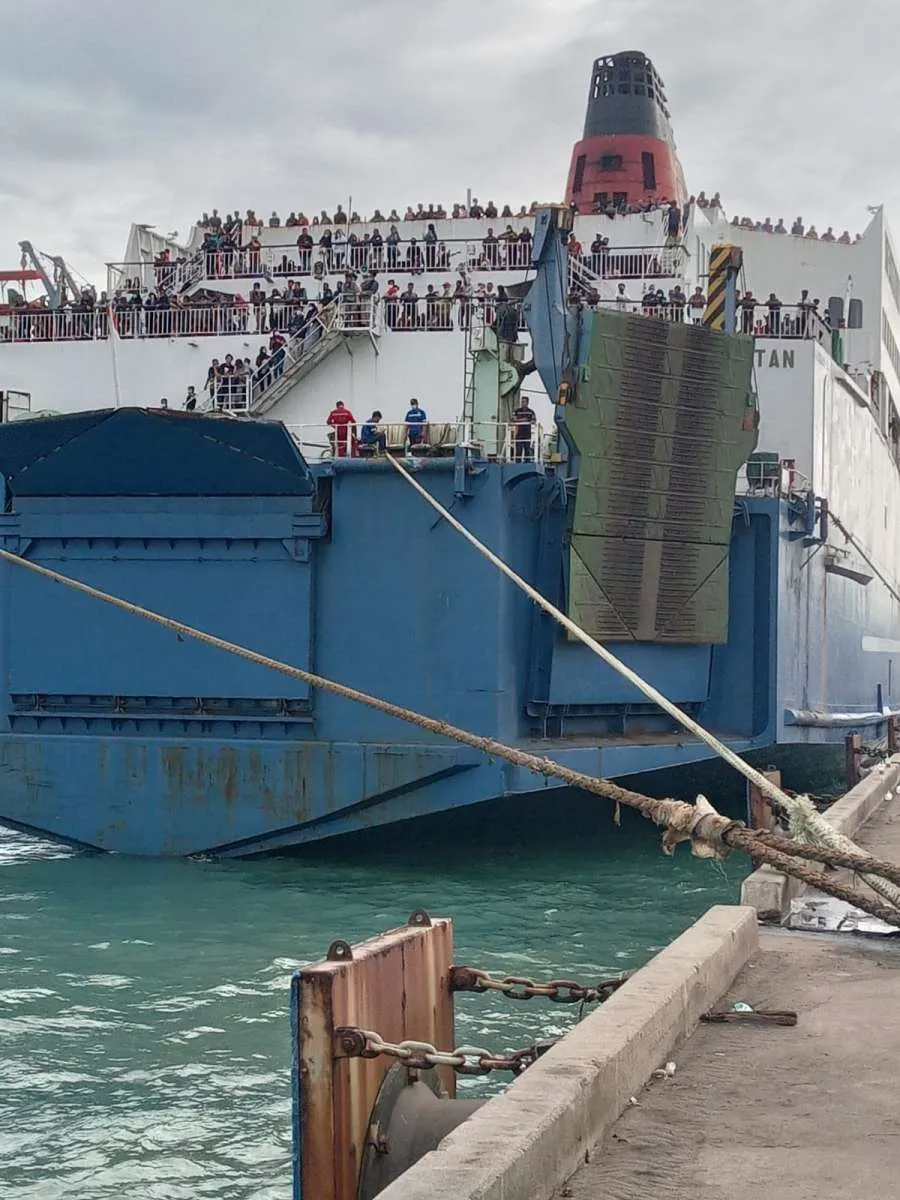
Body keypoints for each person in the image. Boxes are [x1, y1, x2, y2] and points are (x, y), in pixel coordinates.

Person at [511, 397, 536, 462]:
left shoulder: (531, 412)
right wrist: (524, 420)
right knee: (518, 450)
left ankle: (527, 463)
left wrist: (519, 420)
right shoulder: (517, 411)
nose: (522, 403)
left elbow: (533, 421)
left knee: (527, 450)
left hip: (527, 434)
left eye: (523, 402)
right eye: (521, 402)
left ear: (527, 403)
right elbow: (513, 419)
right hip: (519, 434)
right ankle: (518, 463)